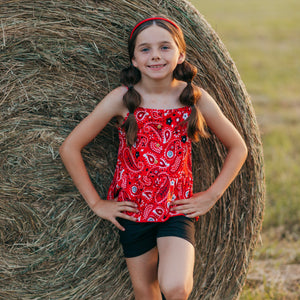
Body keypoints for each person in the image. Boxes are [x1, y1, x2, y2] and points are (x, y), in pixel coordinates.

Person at [59, 16, 248, 300]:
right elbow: (70, 147)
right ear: (134, 59)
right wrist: (97, 203)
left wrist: (212, 195)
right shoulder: (122, 99)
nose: (155, 55)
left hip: (176, 209)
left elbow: (238, 147)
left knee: (175, 286)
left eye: (165, 47)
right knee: (146, 292)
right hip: (133, 211)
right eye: (145, 49)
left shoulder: (194, 98)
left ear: (180, 54)